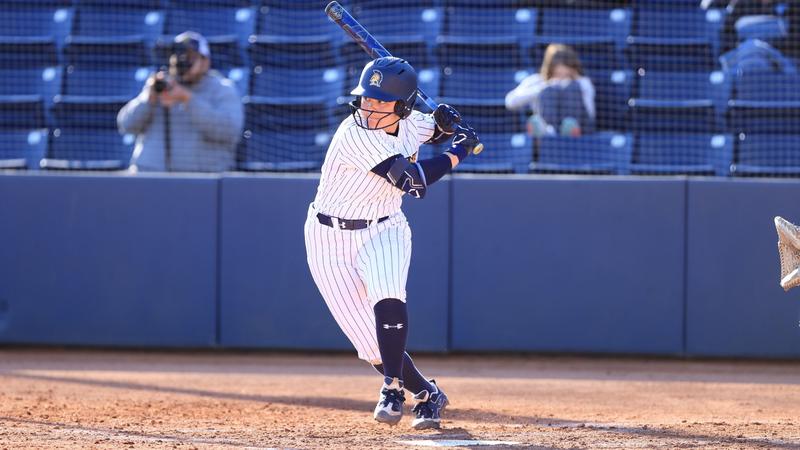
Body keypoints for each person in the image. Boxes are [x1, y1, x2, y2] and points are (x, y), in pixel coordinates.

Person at [303, 56, 479, 430]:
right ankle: (427, 393)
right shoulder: (354, 134)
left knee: (388, 294)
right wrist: (458, 150)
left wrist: (442, 124)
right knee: (370, 345)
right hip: (326, 237)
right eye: (367, 99)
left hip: (384, 228)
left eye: (381, 102)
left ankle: (392, 388)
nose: (369, 107)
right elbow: (412, 180)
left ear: (402, 106)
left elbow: (426, 128)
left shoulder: (411, 121)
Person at [117, 31, 243, 172]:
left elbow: (229, 132)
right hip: (150, 178)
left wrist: (187, 99)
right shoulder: (160, 86)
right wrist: (148, 99)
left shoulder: (222, 89)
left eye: (189, 56)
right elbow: (126, 125)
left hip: (202, 182)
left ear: (205, 61)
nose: (181, 60)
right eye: (176, 55)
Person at [505, 44, 595, 137]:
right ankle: (549, 131)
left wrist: (567, 84)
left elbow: (590, 112)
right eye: (557, 73)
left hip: (580, 128)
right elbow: (510, 102)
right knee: (549, 91)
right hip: (546, 131)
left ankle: (570, 130)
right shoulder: (537, 80)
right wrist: (544, 88)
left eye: (565, 73)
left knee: (572, 89)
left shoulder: (582, 82)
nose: (561, 76)